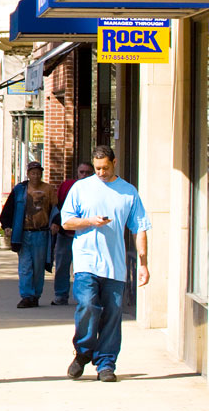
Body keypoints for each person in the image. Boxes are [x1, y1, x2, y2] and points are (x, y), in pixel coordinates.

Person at [61, 145, 150, 382]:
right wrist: (90, 221)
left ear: (114, 162)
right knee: (88, 305)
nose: (100, 172)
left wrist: (143, 263)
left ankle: (106, 363)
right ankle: (83, 351)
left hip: (115, 265)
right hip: (86, 261)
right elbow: (66, 222)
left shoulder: (128, 192)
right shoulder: (81, 188)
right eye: (97, 168)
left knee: (112, 315)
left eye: (105, 168)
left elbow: (139, 227)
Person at [0, 160, 59, 308]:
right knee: (25, 267)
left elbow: (56, 208)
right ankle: (26, 296)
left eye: (38, 173)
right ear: (28, 174)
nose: (36, 176)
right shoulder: (20, 190)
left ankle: (35, 296)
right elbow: (9, 209)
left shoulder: (48, 189)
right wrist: (7, 226)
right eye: (33, 173)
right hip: (23, 233)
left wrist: (55, 222)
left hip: (42, 233)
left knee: (38, 267)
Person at [52, 160, 94, 306]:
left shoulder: (98, 189)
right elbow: (58, 207)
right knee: (62, 266)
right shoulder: (67, 186)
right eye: (82, 172)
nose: (84, 175)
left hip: (86, 235)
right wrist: (56, 223)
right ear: (77, 173)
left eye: (88, 172)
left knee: (83, 268)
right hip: (66, 234)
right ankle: (61, 295)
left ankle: (83, 297)